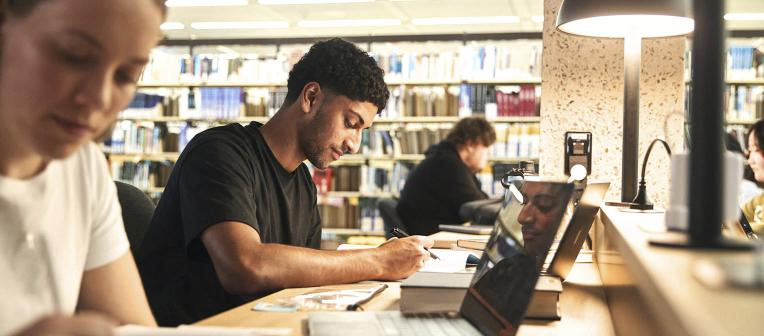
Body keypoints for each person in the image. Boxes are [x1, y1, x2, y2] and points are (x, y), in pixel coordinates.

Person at [137, 38, 433, 326]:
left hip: (263, 325)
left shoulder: (303, 183)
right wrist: (379, 261)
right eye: (350, 123)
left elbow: (302, 277)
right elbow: (245, 266)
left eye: (362, 131)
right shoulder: (219, 153)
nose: (354, 144)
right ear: (311, 98)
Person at [0, 0, 165, 334]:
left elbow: (132, 326)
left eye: (126, 76)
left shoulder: (83, 164)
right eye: (73, 56)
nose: (100, 98)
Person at [397, 116, 497, 235]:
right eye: (486, 150)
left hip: (429, 231)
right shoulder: (448, 165)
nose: (489, 157)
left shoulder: (445, 159)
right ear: (471, 144)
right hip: (429, 236)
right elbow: (477, 207)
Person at [742, 119, 764, 235]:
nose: (750, 161)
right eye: (750, 151)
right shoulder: (760, 200)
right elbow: (737, 216)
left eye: (756, 149)